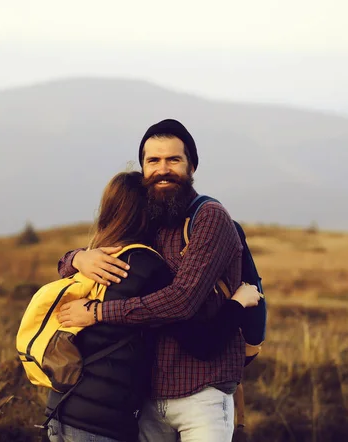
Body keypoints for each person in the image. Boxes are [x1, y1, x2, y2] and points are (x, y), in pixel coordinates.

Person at [57, 118, 254, 441]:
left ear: (191, 166)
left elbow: (181, 301)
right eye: (153, 161)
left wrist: (96, 313)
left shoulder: (209, 217)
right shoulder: (151, 216)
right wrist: (77, 257)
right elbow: (110, 246)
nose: (163, 169)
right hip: (147, 401)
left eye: (173, 160)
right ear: (144, 168)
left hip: (201, 395)